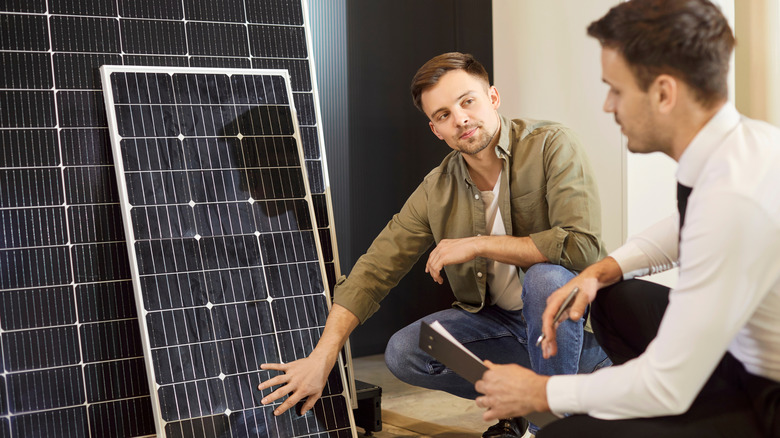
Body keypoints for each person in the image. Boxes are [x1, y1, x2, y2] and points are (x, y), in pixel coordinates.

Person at [259, 51, 610, 437]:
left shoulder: (551, 145)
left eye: (467, 101)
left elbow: (581, 246)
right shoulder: (437, 188)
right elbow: (374, 271)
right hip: (502, 328)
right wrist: (322, 359)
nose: (460, 119)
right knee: (408, 350)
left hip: (571, 324)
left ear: (493, 97)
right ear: (435, 129)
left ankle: (552, 424)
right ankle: (523, 401)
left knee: (546, 279)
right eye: (443, 114)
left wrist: (479, 244)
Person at [473, 1, 780, 437]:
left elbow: (667, 383)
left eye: (615, 90)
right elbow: (683, 227)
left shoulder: (733, 200)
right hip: (736, 354)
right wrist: (598, 272)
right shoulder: (747, 144)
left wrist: (543, 392)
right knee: (615, 297)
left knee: (565, 434)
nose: (607, 105)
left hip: (767, 397)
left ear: (664, 93)